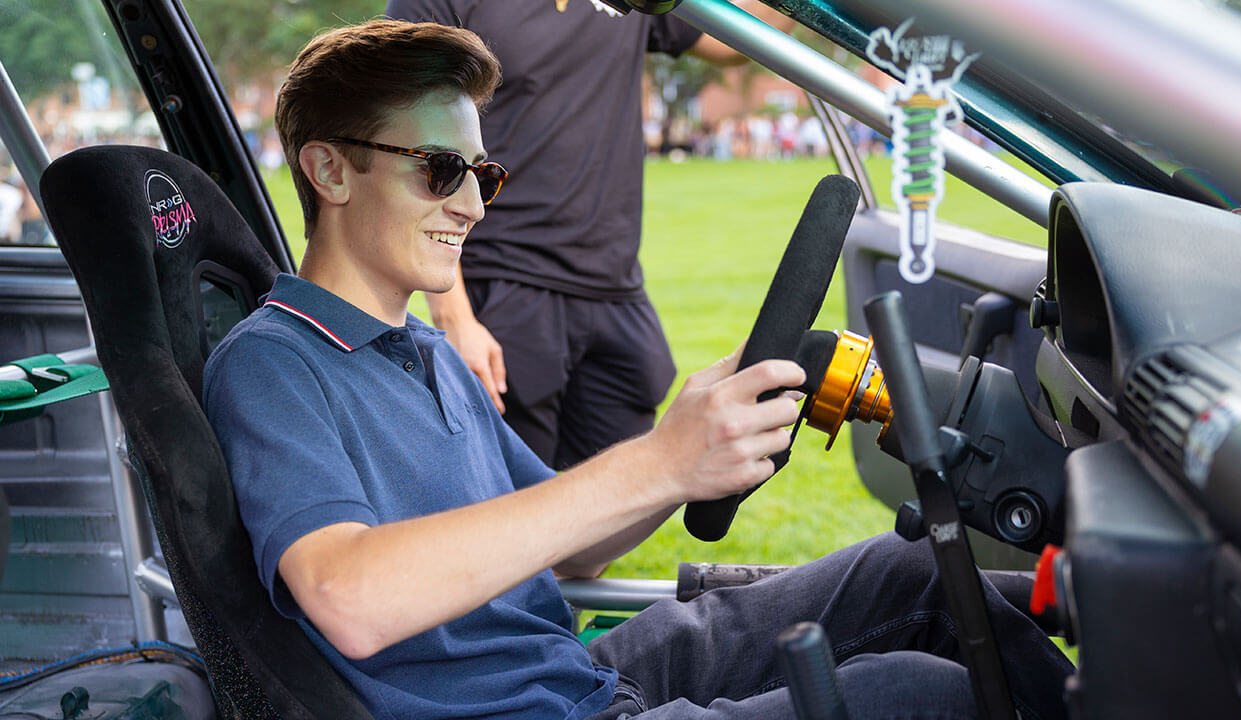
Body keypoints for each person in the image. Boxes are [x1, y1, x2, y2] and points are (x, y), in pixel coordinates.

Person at [203, 20, 1073, 720]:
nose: (470, 204)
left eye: (480, 173)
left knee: (910, 572)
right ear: (328, 170)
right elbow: (350, 597)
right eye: (439, 171)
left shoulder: (430, 354)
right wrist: (658, 463)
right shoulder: (274, 364)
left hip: (573, 676)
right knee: (915, 698)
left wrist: (688, 444)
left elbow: (574, 542)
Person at [383, 0, 788, 472]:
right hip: (505, 290)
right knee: (515, 515)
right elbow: (407, 141)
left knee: (610, 513)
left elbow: (737, 35)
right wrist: (455, 318)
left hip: (616, 295)